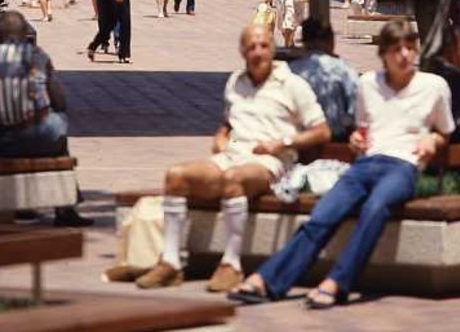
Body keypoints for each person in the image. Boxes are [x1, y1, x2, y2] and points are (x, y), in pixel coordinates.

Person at [228, 19, 454, 308]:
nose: (404, 55)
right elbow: (362, 129)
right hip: (365, 164)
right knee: (323, 215)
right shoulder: (368, 83)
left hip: (403, 166)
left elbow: (446, 132)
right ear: (384, 53)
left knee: (375, 208)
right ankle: (269, 281)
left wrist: (432, 141)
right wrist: (356, 142)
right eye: (396, 49)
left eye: (410, 48)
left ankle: (337, 282)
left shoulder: (434, 86)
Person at [136, 24, 330, 293]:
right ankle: (170, 262)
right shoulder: (235, 82)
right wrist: (223, 138)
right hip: (232, 157)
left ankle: (231, 265)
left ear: (273, 49)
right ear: (242, 52)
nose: (258, 52)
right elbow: (231, 125)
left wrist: (282, 142)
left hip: (272, 163)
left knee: (233, 180)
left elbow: (322, 131)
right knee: (176, 176)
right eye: (251, 47)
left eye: (263, 46)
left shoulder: (293, 85)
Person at [0, 10, 92, 227]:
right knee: (58, 132)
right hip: (42, 135)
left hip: (0, 140)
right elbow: (60, 101)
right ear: (25, 34)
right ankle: (65, 208)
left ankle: (20, 205)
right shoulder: (38, 56)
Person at [288, 19, 359, 142]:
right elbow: (355, 110)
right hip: (335, 143)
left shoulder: (289, 70)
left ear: (304, 42)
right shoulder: (344, 71)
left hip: (296, 140)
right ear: (330, 40)